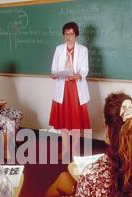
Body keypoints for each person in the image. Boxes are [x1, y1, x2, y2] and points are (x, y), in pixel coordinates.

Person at [49, 22, 91, 159]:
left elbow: (85, 68)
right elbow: (54, 68)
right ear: (63, 35)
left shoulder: (83, 50)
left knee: (76, 123)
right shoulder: (59, 49)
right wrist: (54, 74)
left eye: (71, 33)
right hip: (62, 88)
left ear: (76, 34)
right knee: (63, 123)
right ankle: (66, 150)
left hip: (76, 89)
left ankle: (75, 152)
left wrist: (79, 75)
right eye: (66, 34)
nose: (68, 36)